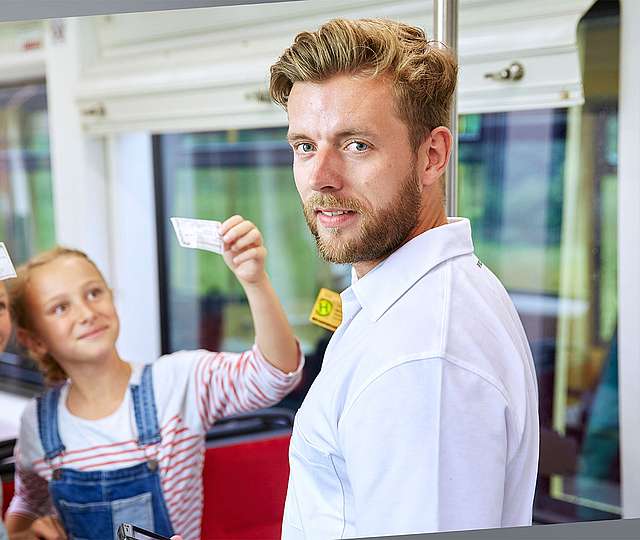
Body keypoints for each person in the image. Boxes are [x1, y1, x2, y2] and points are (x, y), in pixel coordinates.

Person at [268, 18, 539, 538]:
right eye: (304, 145)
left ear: (432, 156)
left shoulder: (420, 360)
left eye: (357, 145)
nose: (321, 176)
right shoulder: (425, 297)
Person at [4, 215, 303, 540]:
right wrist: (25, 531)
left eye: (93, 293)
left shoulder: (178, 381)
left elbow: (275, 375)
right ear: (34, 340)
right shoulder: (37, 423)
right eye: (60, 308)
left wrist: (254, 280)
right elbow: (26, 504)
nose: (87, 313)